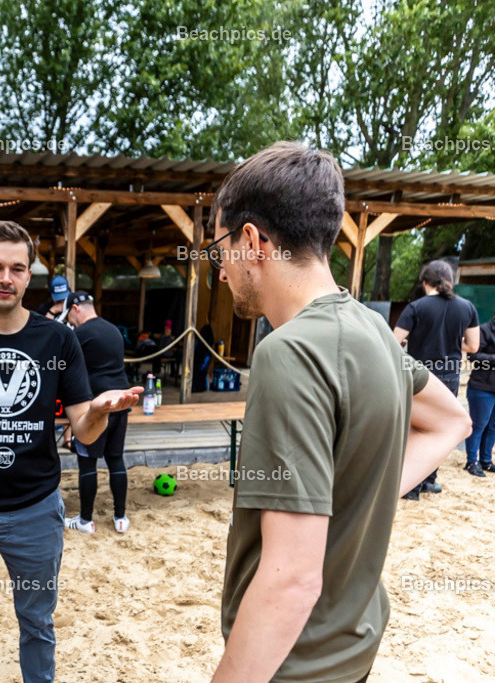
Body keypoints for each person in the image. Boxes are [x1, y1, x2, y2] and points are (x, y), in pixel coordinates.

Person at [207, 142, 471, 682]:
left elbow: (290, 580)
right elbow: (451, 421)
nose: (220, 272)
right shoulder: (371, 328)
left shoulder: (288, 352)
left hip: (295, 665)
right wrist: (355, 495)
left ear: (252, 241)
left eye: (220, 251)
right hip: (354, 647)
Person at [0, 221, 141, 683]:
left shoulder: (58, 341)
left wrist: (99, 410)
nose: (6, 278)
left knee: (37, 624)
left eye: (18, 268)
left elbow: (85, 430)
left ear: (28, 276)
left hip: (36, 512)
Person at [393, 259, 479, 499]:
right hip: (449, 376)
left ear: (425, 282)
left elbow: (393, 340)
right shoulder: (467, 308)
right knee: (440, 428)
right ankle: (429, 481)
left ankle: (410, 486)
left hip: (419, 377)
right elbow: (473, 346)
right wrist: (453, 343)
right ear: (449, 281)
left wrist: (410, 343)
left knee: (413, 428)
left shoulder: (416, 307)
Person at [61, 290, 132, 534]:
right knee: (115, 459)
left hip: (95, 406)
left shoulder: (79, 334)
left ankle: (85, 520)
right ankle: (120, 517)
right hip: (121, 401)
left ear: (75, 309)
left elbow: (63, 370)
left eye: (69, 318)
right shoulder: (114, 330)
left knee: (87, 461)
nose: (71, 323)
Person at [464, 312, 495, 476]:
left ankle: (486, 461)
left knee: (492, 427)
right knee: (478, 425)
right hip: (481, 387)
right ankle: (471, 461)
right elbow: (473, 355)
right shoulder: (483, 330)